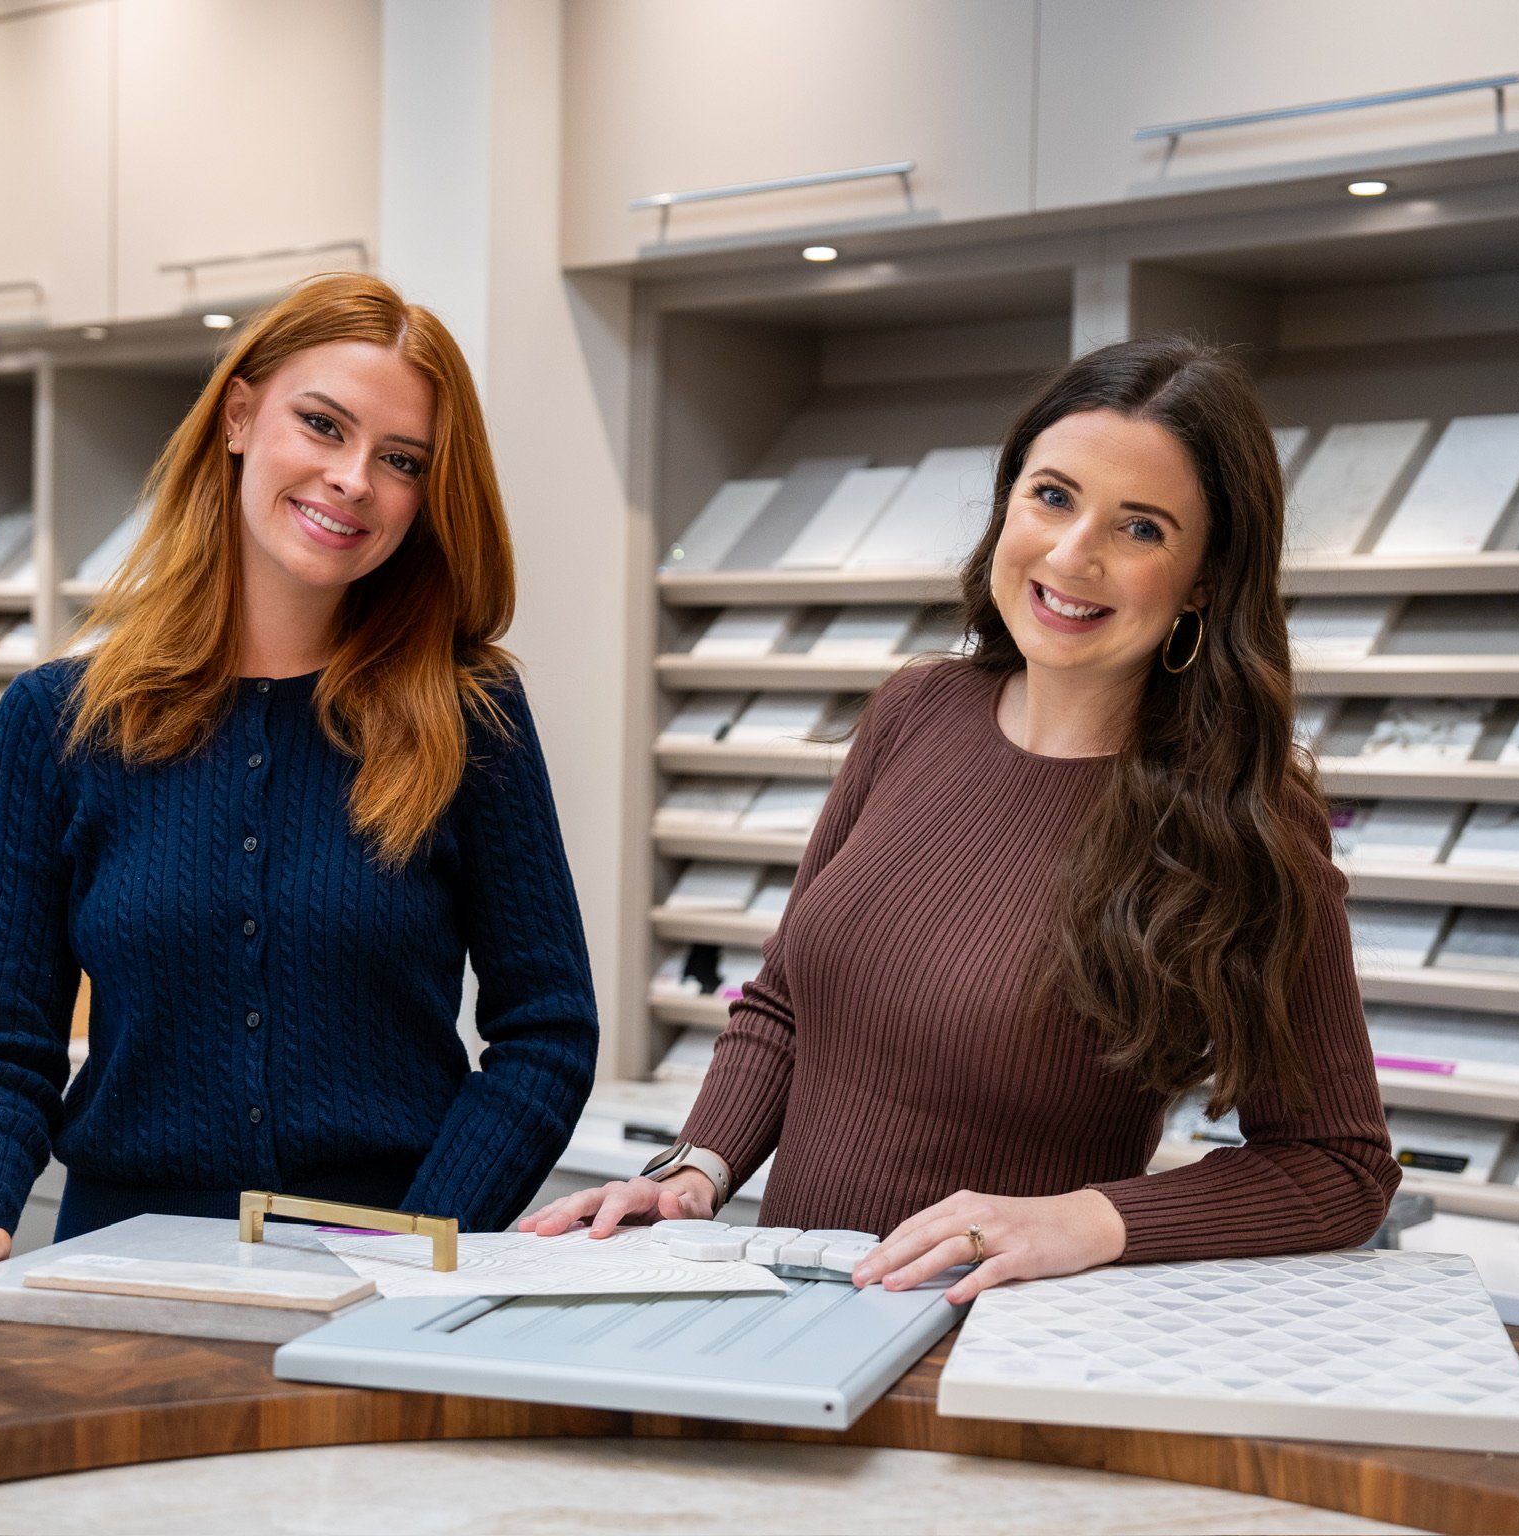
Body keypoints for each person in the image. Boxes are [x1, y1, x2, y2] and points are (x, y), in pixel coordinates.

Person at [527, 337, 1397, 1304]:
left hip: (996, 1340)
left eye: (1141, 529)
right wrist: (692, 1176)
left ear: (1204, 578)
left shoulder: (1243, 813)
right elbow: (784, 1004)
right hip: (785, 1309)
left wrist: (1091, 1218)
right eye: (1053, 497)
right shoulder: (915, 711)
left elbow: (1339, 1164)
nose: (1075, 556)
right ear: (1008, 500)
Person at [0, 274, 597, 1319]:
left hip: (386, 1285)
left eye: (401, 461)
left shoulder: (469, 715)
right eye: (322, 425)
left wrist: (418, 1249)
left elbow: (547, 1033)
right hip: (116, 1280)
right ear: (241, 416)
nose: (352, 480)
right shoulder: (58, 721)